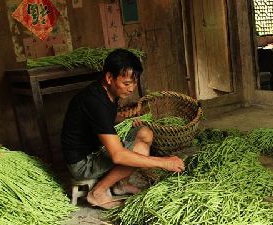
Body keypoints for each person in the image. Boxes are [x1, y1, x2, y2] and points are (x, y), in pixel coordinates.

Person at [61, 49, 185, 209]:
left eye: (134, 82)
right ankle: (98, 192)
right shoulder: (94, 101)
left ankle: (120, 185)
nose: (131, 88)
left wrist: (126, 118)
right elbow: (118, 156)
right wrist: (164, 162)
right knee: (140, 151)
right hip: (82, 163)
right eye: (126, 83)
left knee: (145, 132)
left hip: (95, 146)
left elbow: (104, 120)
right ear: (109, 77)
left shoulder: (108, 91)